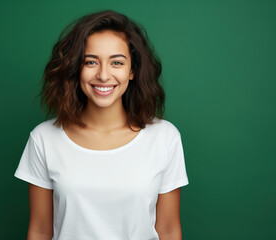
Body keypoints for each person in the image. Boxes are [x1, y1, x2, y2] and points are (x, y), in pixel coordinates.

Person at [14, 10, 189, 240]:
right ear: (76, 68)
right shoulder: (44, 138)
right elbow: (40, 230)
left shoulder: (164, 137)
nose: (104, 75)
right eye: (91, 62)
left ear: (133, 70)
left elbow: (168, 230)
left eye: (117, 62)